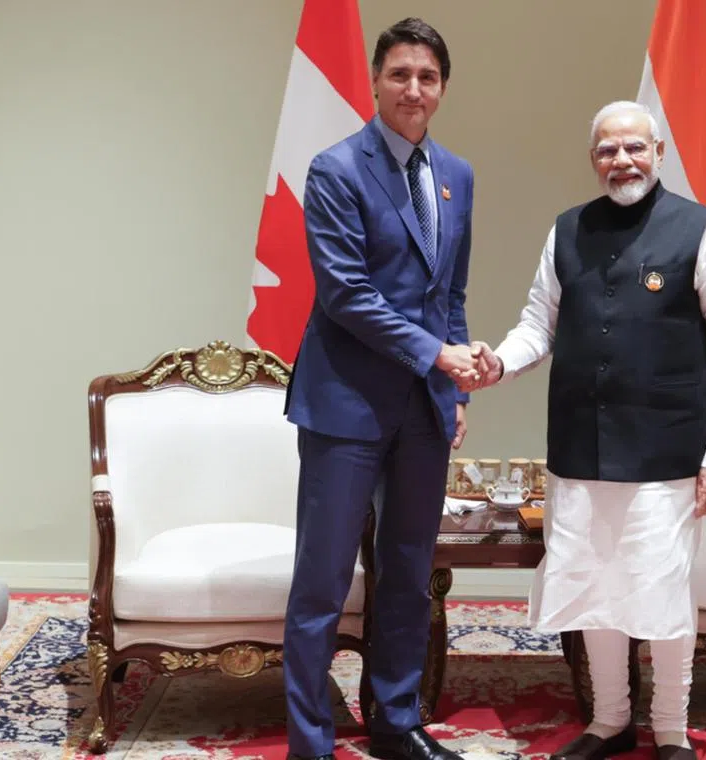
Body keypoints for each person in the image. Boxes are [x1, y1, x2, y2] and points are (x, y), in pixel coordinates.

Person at [471, 100, 706, 760]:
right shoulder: (567, 231)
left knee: (661, 594)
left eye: (634, 147)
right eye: (606, 150)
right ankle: (609, 720)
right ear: (592, 159)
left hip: (669, 451)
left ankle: (673, 730)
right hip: (581, 445)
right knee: (596, 589)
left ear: (658, 152)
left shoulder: (701, 231)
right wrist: (497, 364)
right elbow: (536, 325)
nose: (621, 160)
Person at [282, 17, 477, 760]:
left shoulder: (458, 176)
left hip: (425, 410)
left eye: (428, 77)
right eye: (401, 74)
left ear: (443, 89)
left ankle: (396, 723)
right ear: (375, 80)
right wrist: (441, 356)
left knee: (407, 574)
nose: (414, 89)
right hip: (344, 406)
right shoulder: (335, 169)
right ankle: (311, 741)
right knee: (323, 583)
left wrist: (453, 388)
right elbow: (347, 295)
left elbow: (449, 295)